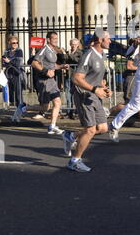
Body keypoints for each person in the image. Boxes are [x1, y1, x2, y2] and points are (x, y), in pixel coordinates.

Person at [62, 28, 112, 172]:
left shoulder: (101, 55)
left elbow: (98, 77)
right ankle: (74, 161)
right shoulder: (88, 55)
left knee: (102, 128)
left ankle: (71, 135)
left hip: (94, 96)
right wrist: (95, 89)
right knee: (90, 130)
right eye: (108, 38)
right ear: (100, 40)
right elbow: (76, 78)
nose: (110, 41)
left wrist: (104, 87)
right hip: (84, 95)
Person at [109, 39, 140, 135]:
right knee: (130, 104)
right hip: (131, 78)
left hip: (137, 78)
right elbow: (129, 66)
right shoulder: (132, 52)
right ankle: (110, 111)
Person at [31, 31, 69, 135]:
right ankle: (24, 107)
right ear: (48, 40)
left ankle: (52, 126)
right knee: (45, 107)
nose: (56, 40)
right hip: (44, 80)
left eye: (57, 39)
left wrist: (61, 66)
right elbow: (34, 63)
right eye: (54, 39)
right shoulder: (44, 49)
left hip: (51, 81)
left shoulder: (53, 50)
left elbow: (53, 66)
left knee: (57, 103)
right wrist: (45, 71)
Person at [3, 36, 27, 122]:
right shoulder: (6, 51)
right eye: (13, 43)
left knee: (18, 96)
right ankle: (15, 114)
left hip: (17, 74)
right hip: (9, 74)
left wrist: (9, 61)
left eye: (16, 43)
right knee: (10, 96)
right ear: (9, 43)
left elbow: (18, 63)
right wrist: (10, 62)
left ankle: (19, 115)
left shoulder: (19, 51)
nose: (15, 44)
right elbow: (4, 63)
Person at [64, 38, 83, 118]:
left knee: (77, 94)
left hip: (76, 77)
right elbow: (64, 60)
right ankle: (69, 112)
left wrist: (67, 54)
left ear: (78, 45)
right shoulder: (68, 52)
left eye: (75, 44)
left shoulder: (80, 53)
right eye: (72, 44)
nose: (73, 46)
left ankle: (77, 111)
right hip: (68, 75)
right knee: (68, 94)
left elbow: (77, 60)